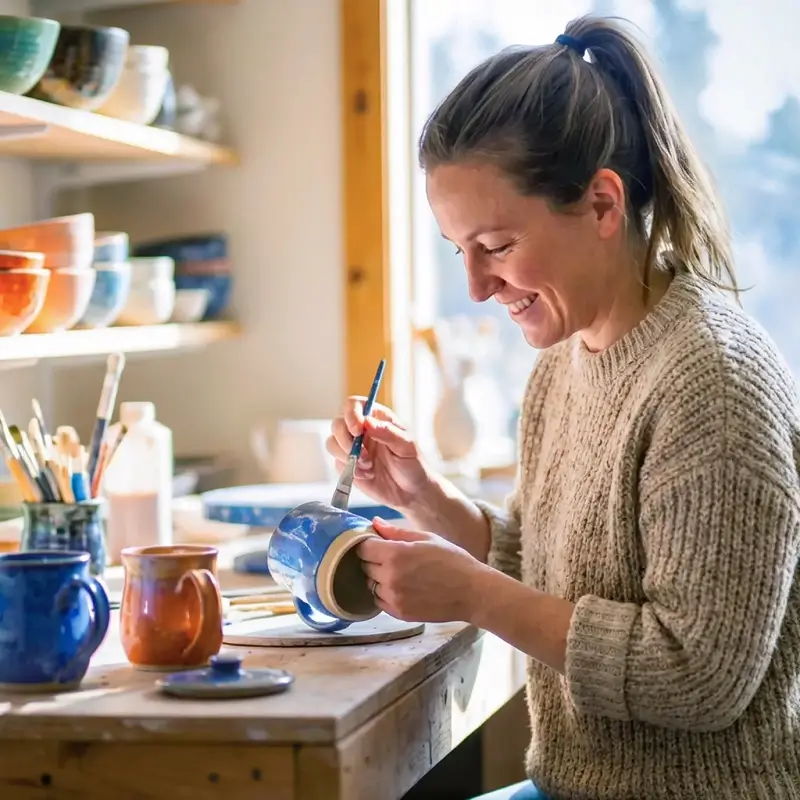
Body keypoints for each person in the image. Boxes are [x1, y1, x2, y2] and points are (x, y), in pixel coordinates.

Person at [327, 14, 800, 800]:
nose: (476, 287)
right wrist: (425, 499)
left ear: (603, 203)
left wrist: (473, 596)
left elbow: (698, 677)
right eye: (459, 253)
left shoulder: (715, 384)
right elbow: (557, 569)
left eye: (498, 247)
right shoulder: (566, 358)